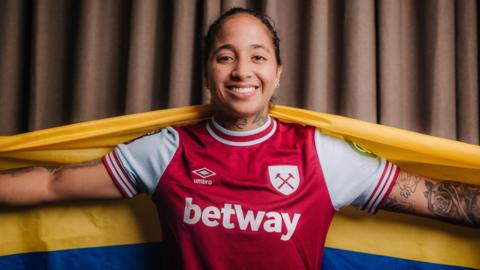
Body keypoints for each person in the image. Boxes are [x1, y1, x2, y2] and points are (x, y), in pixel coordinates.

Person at [0, 7, 478, 270]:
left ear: (277, 72)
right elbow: (52, 185)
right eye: (225, 57)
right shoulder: (168, 150)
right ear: (208, 72)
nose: (242, 70)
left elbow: (433, 200)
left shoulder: (320, 155)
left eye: (257, 56)